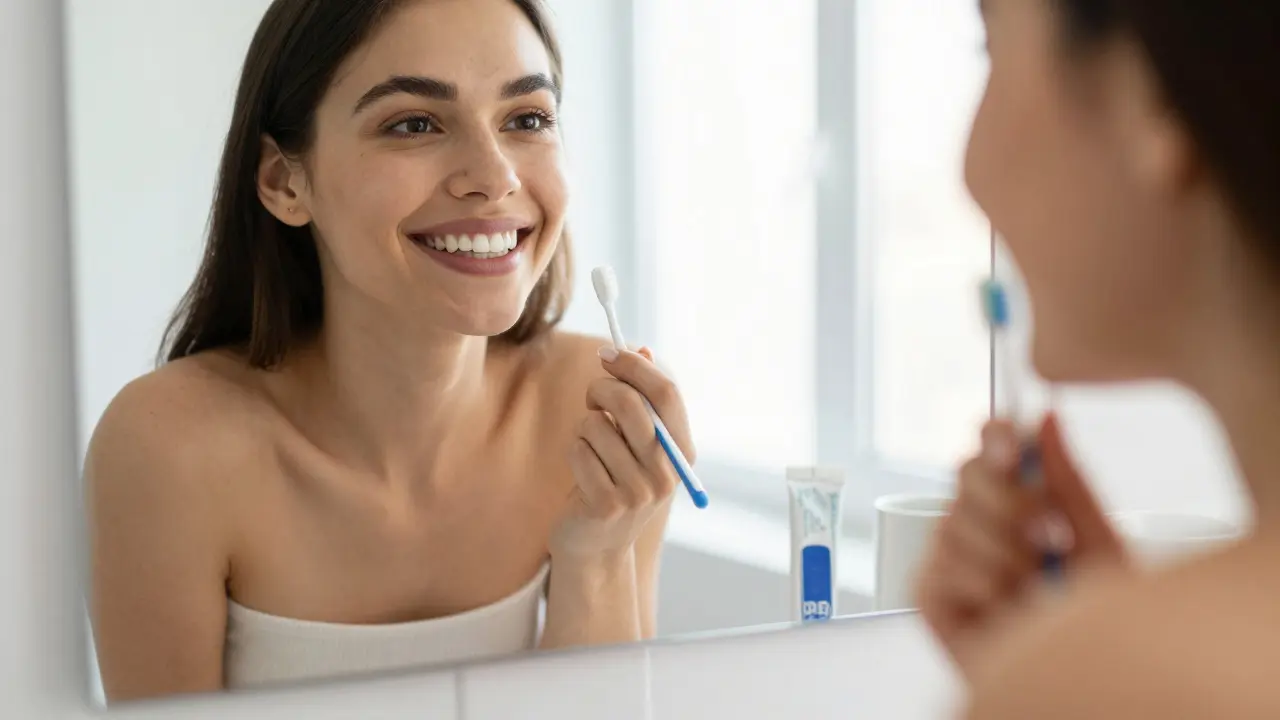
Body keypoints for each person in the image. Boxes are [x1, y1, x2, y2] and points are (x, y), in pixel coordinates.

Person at [84, 0, 693, 703]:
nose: (493, 177)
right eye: (413, 123)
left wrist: (598, 556)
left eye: (527, 119)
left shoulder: (594, 414)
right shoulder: (172, 448)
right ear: (285, 182)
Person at [916, 0, 1280, 716]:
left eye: (989, 47)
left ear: (1150, 91)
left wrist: (1086, 668)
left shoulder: (1105, 681)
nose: (970, 172)